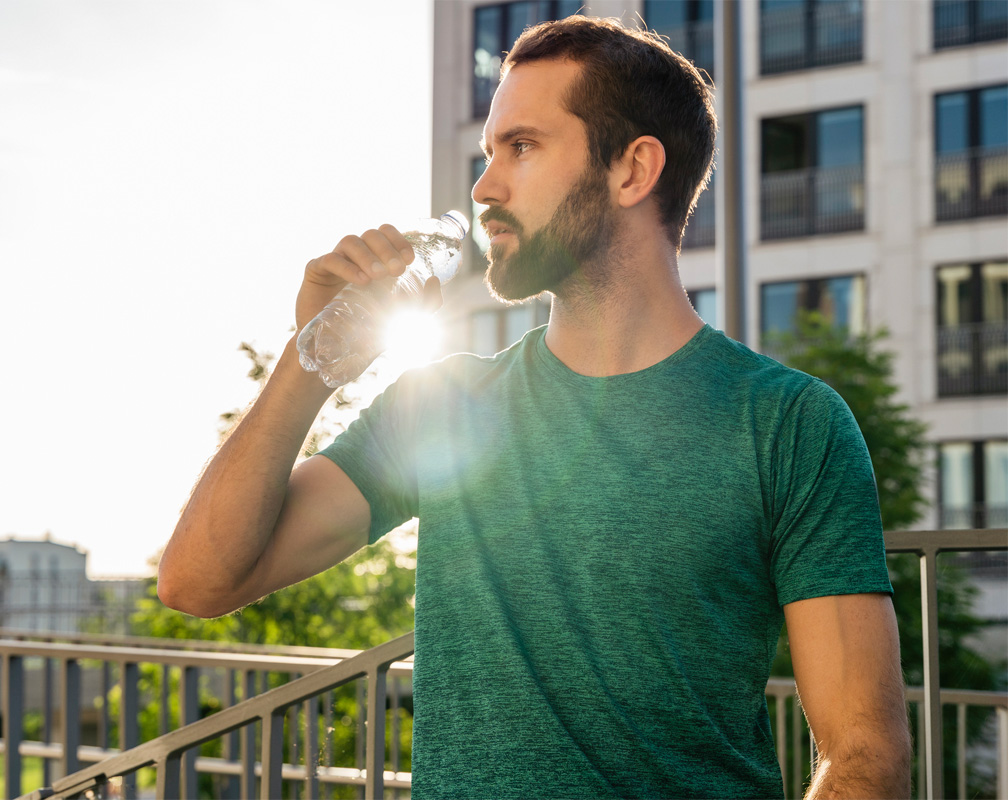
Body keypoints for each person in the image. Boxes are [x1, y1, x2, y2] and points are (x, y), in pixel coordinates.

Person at [158, 15, 911, 799]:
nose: (484, 187)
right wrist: (312, 356)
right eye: (489, 154)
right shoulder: (439, 406)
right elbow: (197, 583)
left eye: (521, 147)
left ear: (632, 171)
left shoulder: (790, 425)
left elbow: (866, 758)